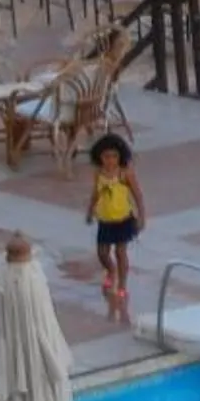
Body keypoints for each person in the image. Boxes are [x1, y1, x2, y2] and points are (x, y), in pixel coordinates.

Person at [86, 132, 145, 324]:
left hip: (123, 219)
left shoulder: (125, 173)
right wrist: (90, 210)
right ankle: (111, 270)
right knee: (102, 253)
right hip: (105, 219)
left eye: (114, 156)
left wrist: (141, 215)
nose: (110, 161)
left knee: (121, 252)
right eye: (106, 157)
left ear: (120, 157)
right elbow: (96, 194)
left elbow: (138, 195)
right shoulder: (99, 174)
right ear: (99, 158)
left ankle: (122, 284)